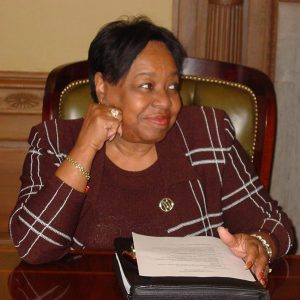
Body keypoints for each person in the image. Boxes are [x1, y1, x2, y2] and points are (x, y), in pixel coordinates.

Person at [9, 16, 294, 287]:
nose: (165, 101)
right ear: (103, 86)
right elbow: (34, 248)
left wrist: (261, 244)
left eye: (172, 86)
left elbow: (275, 225)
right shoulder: (55, 141)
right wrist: (85, 148)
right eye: (146, 86)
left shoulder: (207, 133)